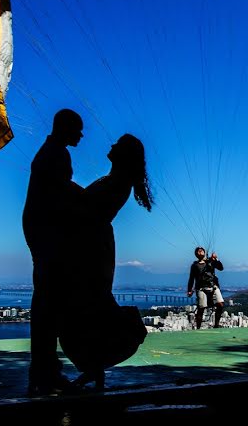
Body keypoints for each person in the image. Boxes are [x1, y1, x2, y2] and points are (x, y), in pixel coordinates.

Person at [59, 133, 154, 391]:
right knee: (89, 306)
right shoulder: (116, 181)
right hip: (93, 246)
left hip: (92, 249)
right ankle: (94, 369)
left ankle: (97, 363)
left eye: (117, 144)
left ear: (123, 154)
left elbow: (87, 207)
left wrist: (63, 185)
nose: (110, 145)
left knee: (86, 305)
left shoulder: (118, 182)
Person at [22, 108, 84, 396]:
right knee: (48, 305)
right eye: (78, 130)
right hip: (48, 233)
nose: (81, 136)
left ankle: (44, 371)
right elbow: (61, 194)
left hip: (40, 231)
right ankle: (45, 372)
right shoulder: (56, 154)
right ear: (66, 128)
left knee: (47, 303)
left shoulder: (50, 151)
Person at [187, 246, 225, 329]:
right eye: (198, 251)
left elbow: (221, 268)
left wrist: (216, 259)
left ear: (204, 252)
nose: (200, 251)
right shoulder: (194, 265)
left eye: (201, 250)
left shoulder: (211, 262)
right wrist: (189, 290)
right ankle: (198, 327)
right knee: (201, 308)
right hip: (201, 288)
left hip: (213, 286)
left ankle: (216, 325)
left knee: (220, 304)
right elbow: (191, 278)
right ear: (196, 254)